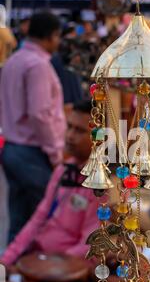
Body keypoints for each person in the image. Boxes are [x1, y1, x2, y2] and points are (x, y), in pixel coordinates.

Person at [0, 102, 101, 266]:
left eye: (80, 131)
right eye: (69, 127)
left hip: (63, 271)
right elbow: (37, 219)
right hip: (40, 258)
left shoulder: (102, 187)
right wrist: (6, 260)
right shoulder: (63, 170)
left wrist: (47, 265)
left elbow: (89, 247)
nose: (69, 136)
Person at [0, 12, 66, 242]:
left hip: (13, 148)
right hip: (32, 151)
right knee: (41, 220)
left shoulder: (14, 60)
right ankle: (30, 272)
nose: (58, 43)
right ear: (51, 36)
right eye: (58, 37)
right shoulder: (36, 65)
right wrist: (55, 153)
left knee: (19, 218)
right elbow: (39, 114)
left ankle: (11, 270)